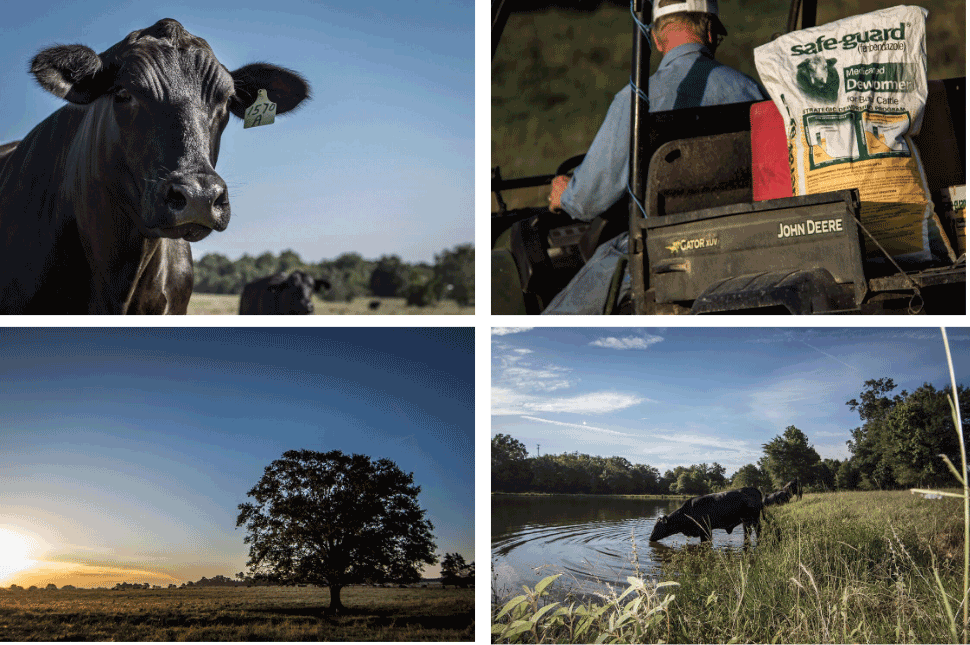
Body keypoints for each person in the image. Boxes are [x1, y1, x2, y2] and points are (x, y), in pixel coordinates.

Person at [542, 0, 768, 314]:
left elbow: (587, 202)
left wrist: (565, 194)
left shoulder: (636, 100)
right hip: (744, 242)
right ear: (712, 31)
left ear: (658, 40)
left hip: (661, 254)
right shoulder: (752, 91)